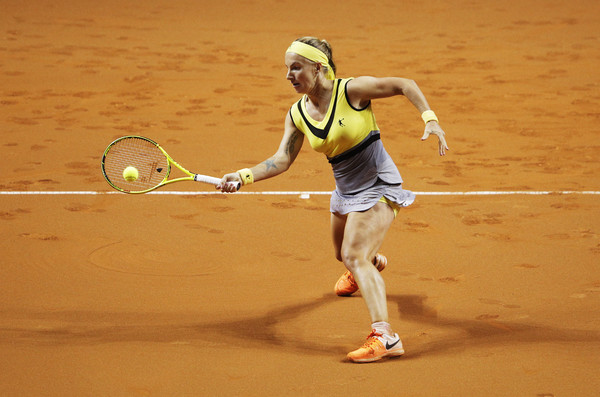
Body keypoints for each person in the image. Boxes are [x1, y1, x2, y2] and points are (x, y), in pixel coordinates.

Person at [218, 37, 448, 363]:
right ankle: (367, 265)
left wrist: (430, 119)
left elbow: (403, 84)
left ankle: (386, 337)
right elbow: (282, 159)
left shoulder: (351, 91)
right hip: (345, 191)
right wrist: (243, 176)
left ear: (318, 67)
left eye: (296, 67)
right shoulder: (298, 113)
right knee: (343, 255)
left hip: (379, 184)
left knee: (353, 254)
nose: (288, 75)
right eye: (287, 68)